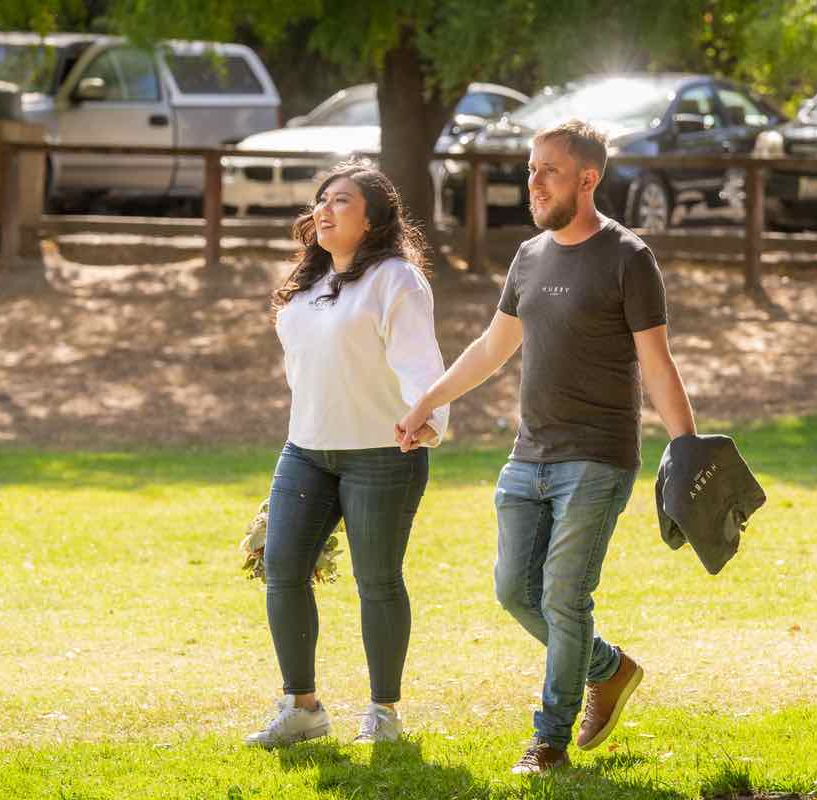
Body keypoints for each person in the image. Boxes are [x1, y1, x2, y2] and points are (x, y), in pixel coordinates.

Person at [397, 120, 697, 774]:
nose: (532, 183)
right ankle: (608, 669)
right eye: (531, 170)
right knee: (514, 591)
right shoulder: (529, 257)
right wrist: (429, 400)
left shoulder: (628, 257)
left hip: (598, 456)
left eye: (548, 171)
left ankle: (550, 740)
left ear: (588, 179)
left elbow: (658, 363)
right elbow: (492, 348)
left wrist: (689, 448)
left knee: (564, 596)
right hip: (528, 457)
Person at [246, 162, 449, 750]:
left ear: (373, 220)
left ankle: (384, 714)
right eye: (321, 201)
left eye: (341, 200)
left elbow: (420, 364)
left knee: (377, 580)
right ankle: (302, 707)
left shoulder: (396, 280)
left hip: (384, 453)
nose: (325, 210)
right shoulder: (305, 286)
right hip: (306, 451)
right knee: (281, 569)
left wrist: (424, 420)